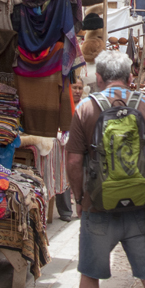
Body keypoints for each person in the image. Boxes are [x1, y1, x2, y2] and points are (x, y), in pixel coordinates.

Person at [66, 51, 145, 288]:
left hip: (97, 206)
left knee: (90, 276)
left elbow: (73, 162)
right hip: (142, 207)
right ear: (129, 76)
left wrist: (79, 198)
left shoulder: (85, 107)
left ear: (100, 77)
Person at [56, 76, 86, 222]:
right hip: (62, 145)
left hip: (79, 148)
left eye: (80, 88)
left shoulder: (85, 107)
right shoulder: (60, 106)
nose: (77, 91)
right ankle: (65, 211)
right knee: (62, 172)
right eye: (74, 87)